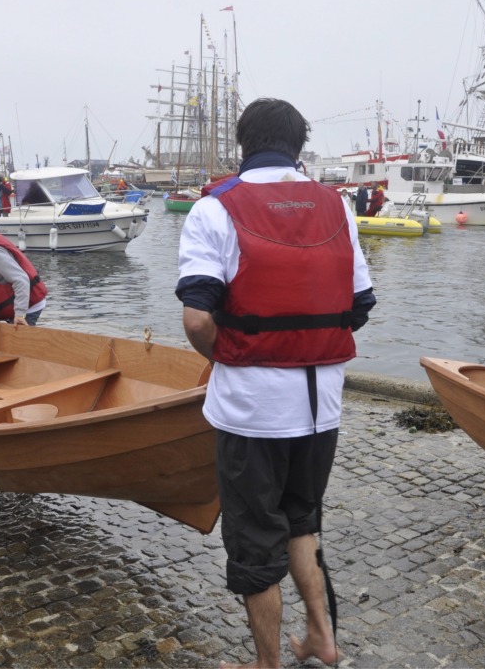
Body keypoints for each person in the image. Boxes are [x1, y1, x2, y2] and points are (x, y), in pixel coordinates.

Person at [176, 98, 376, 668]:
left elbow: (197, 319)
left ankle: (267, 665)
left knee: (255, 539)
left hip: (253, 410)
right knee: (301, 520)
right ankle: (321, 637)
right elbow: (361, 304)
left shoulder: (215, 208)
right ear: (298, 144)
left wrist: (235, 357)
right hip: (322, 406)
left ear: (243, 143)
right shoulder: (337, 205)